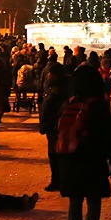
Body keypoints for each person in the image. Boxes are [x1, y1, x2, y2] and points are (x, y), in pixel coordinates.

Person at [57, 65, 111, 220]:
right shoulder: (98, 105)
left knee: (75, 199)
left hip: (70, 156)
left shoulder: (69, 102)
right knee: (93, 199)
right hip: (92, 157)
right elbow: (106, 133)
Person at [38, 63, 70, 192]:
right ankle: (60, 179)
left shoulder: (57, 90)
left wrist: (45, 125)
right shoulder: (59, 87)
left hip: (54, 126)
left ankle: (58, 180)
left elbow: (49, 109)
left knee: (55, 154)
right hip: (55, 125)